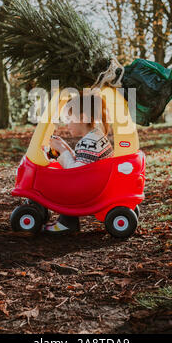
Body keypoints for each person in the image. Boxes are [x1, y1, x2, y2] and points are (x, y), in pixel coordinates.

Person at [42, 91, 114, 235]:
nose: (67, 124)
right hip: (98, 183)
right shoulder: (95, 136)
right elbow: (84, 164)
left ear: (83, 117)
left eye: (69, 119)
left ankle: (67, 223)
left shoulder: (87, 142)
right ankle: (66, 221)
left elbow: (77, 173)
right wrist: (67, 148)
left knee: (62, 183)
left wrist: (62, 151)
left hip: (91, 190)